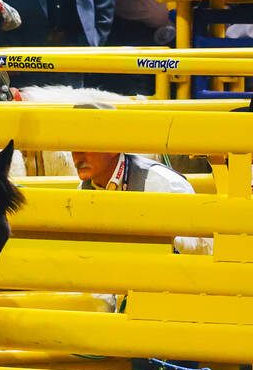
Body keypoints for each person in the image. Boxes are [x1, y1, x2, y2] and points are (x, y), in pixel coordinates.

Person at [72, 104, 210, 256]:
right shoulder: (84, 188)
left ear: (113, 147)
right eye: (73, 144)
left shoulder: (164, 185)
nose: (77, 154)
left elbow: (201, 248)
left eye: (86, 143)